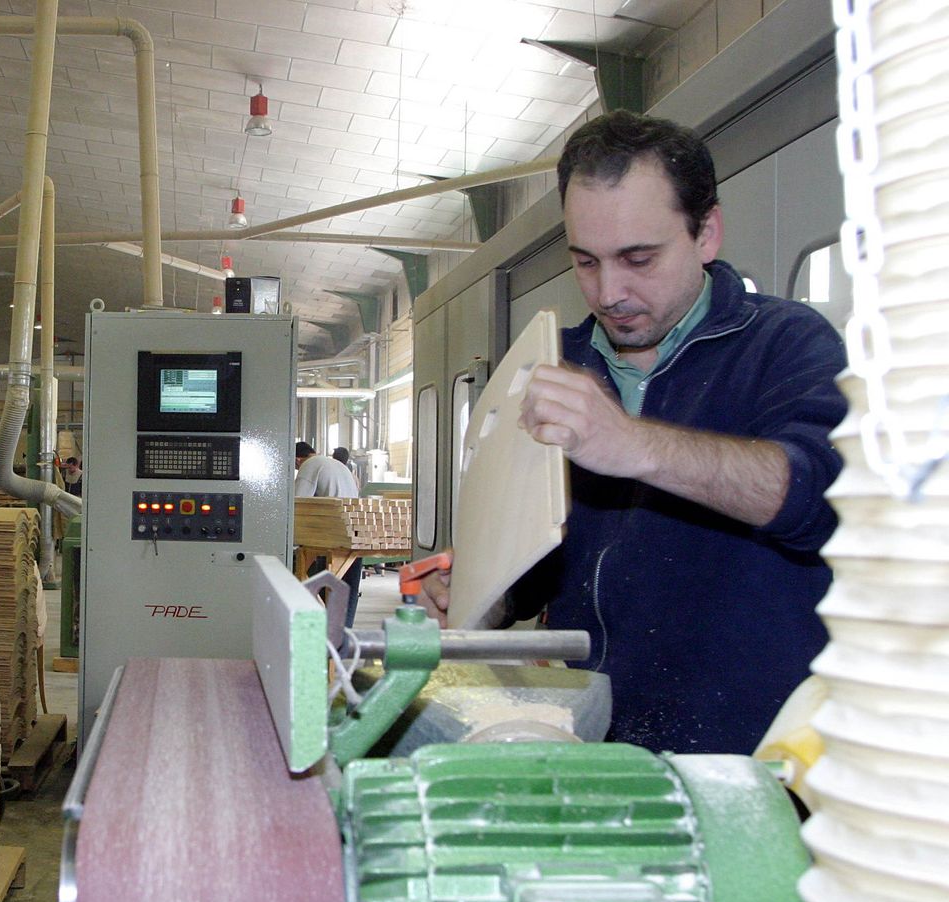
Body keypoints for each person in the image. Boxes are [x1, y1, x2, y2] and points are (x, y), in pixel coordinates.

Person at [418, 110, 847, 757]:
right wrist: (481, 598)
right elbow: (533, 568)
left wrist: (633, 444)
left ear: (707, 233)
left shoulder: (787, 344)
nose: (609, 291)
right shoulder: (554, 367)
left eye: (638, 259)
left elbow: (819, 498)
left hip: (749, 765)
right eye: (585, 262)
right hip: (592, 751)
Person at [295, 440, 364, 626]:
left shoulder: (308, 465)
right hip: (354, 535)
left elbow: (298, 504)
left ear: (297, 460)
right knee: (347, 591)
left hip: (328, 541)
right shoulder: (338, 466)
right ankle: (342, 639)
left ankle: (321, 638)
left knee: (306, 580)